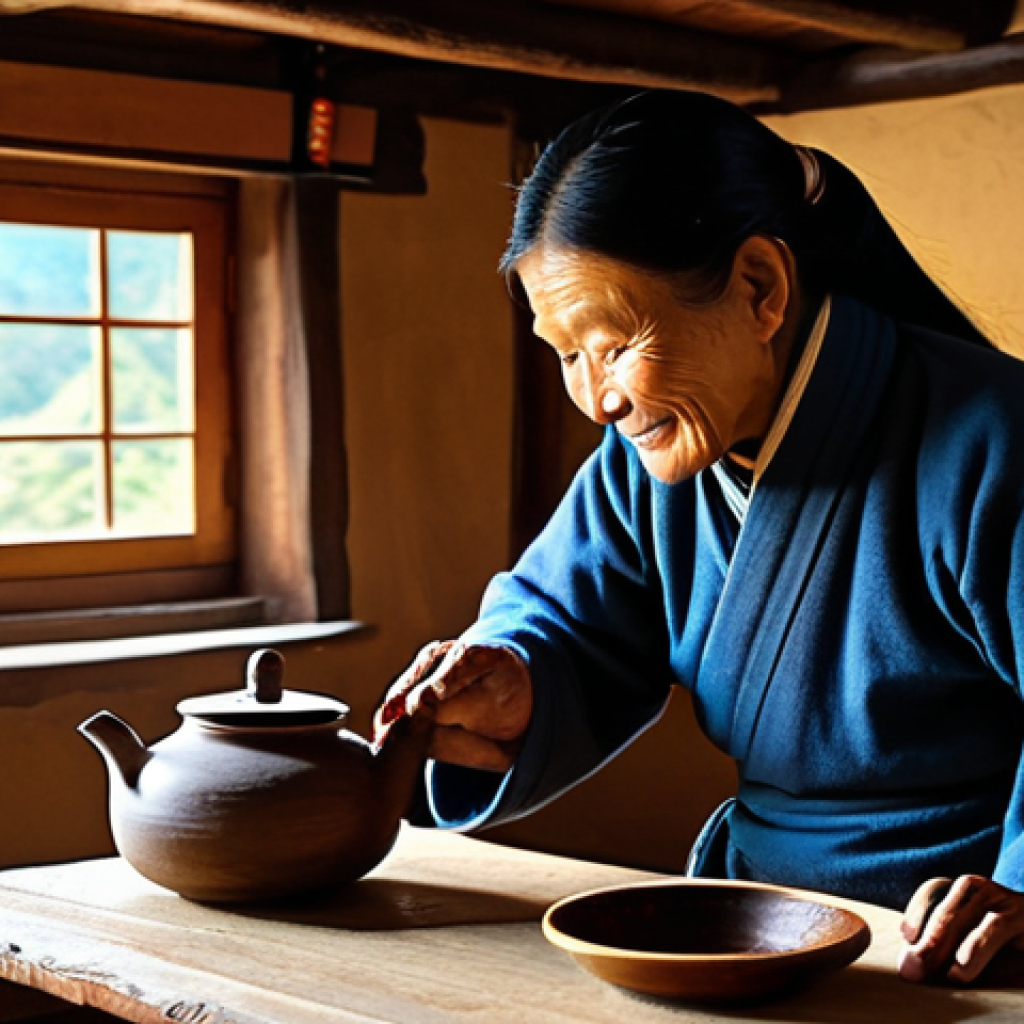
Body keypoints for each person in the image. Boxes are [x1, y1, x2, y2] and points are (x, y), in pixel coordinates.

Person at [372, 90, 1024, 985]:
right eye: (565, 352)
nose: (597, 398)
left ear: (760, 287)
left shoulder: (996, 439)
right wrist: (518, 681)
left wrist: (1021, 888)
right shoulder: (645, 459)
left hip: (954, 945)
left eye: (614, 342)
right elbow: (565, 617)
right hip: (755, 922)